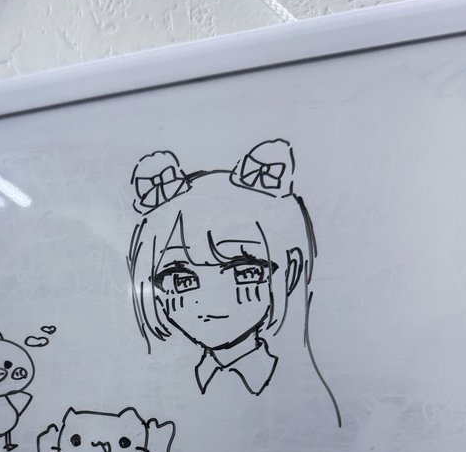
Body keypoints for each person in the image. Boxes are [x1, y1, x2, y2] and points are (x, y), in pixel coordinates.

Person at [127, 139, 340, 425]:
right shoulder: (164, 391)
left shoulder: (305, 397)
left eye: (245, 273)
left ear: (288, 273)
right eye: (182, 281)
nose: (210, 302)